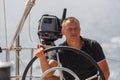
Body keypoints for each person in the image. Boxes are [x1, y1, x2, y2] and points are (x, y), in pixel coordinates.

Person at [35, 17, 110, 80]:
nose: (73, 31)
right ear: (63, 31)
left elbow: (105, 71)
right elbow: (48, 74)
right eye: (69, 29)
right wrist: (42, 58)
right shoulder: (59, 50)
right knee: (45, 78)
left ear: (80, 30)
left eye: (76, 28)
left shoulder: (92, 45)